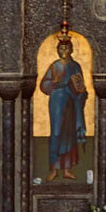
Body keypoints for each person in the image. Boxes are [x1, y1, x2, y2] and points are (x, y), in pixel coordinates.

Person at [40, 35, 88, 181]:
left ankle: (67, 169)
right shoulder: (54, 66)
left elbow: (81, 85)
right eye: (61, 48)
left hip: (72, 102)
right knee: (56, 133)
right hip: (57, 103)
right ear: (57, 50)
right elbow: (44, 85)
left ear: (71, 49)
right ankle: (54, 169)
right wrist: (53, 83)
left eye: (66, 47)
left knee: (69, 134)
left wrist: (81, 90)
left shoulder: (75, 66)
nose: (64, 50)